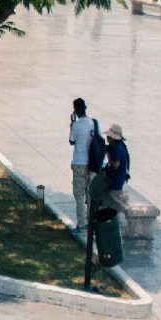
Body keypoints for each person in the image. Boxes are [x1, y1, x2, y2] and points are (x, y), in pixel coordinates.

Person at [67, 98, 101, 231]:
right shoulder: (93, 123)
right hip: (92, 163)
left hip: (79, 163)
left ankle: (81, 223)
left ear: (75, 110)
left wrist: (72, 125)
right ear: (85, 107)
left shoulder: (76, 125)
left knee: (79, 194)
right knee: (89, 194)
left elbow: (71, 141)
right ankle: (91, 219)